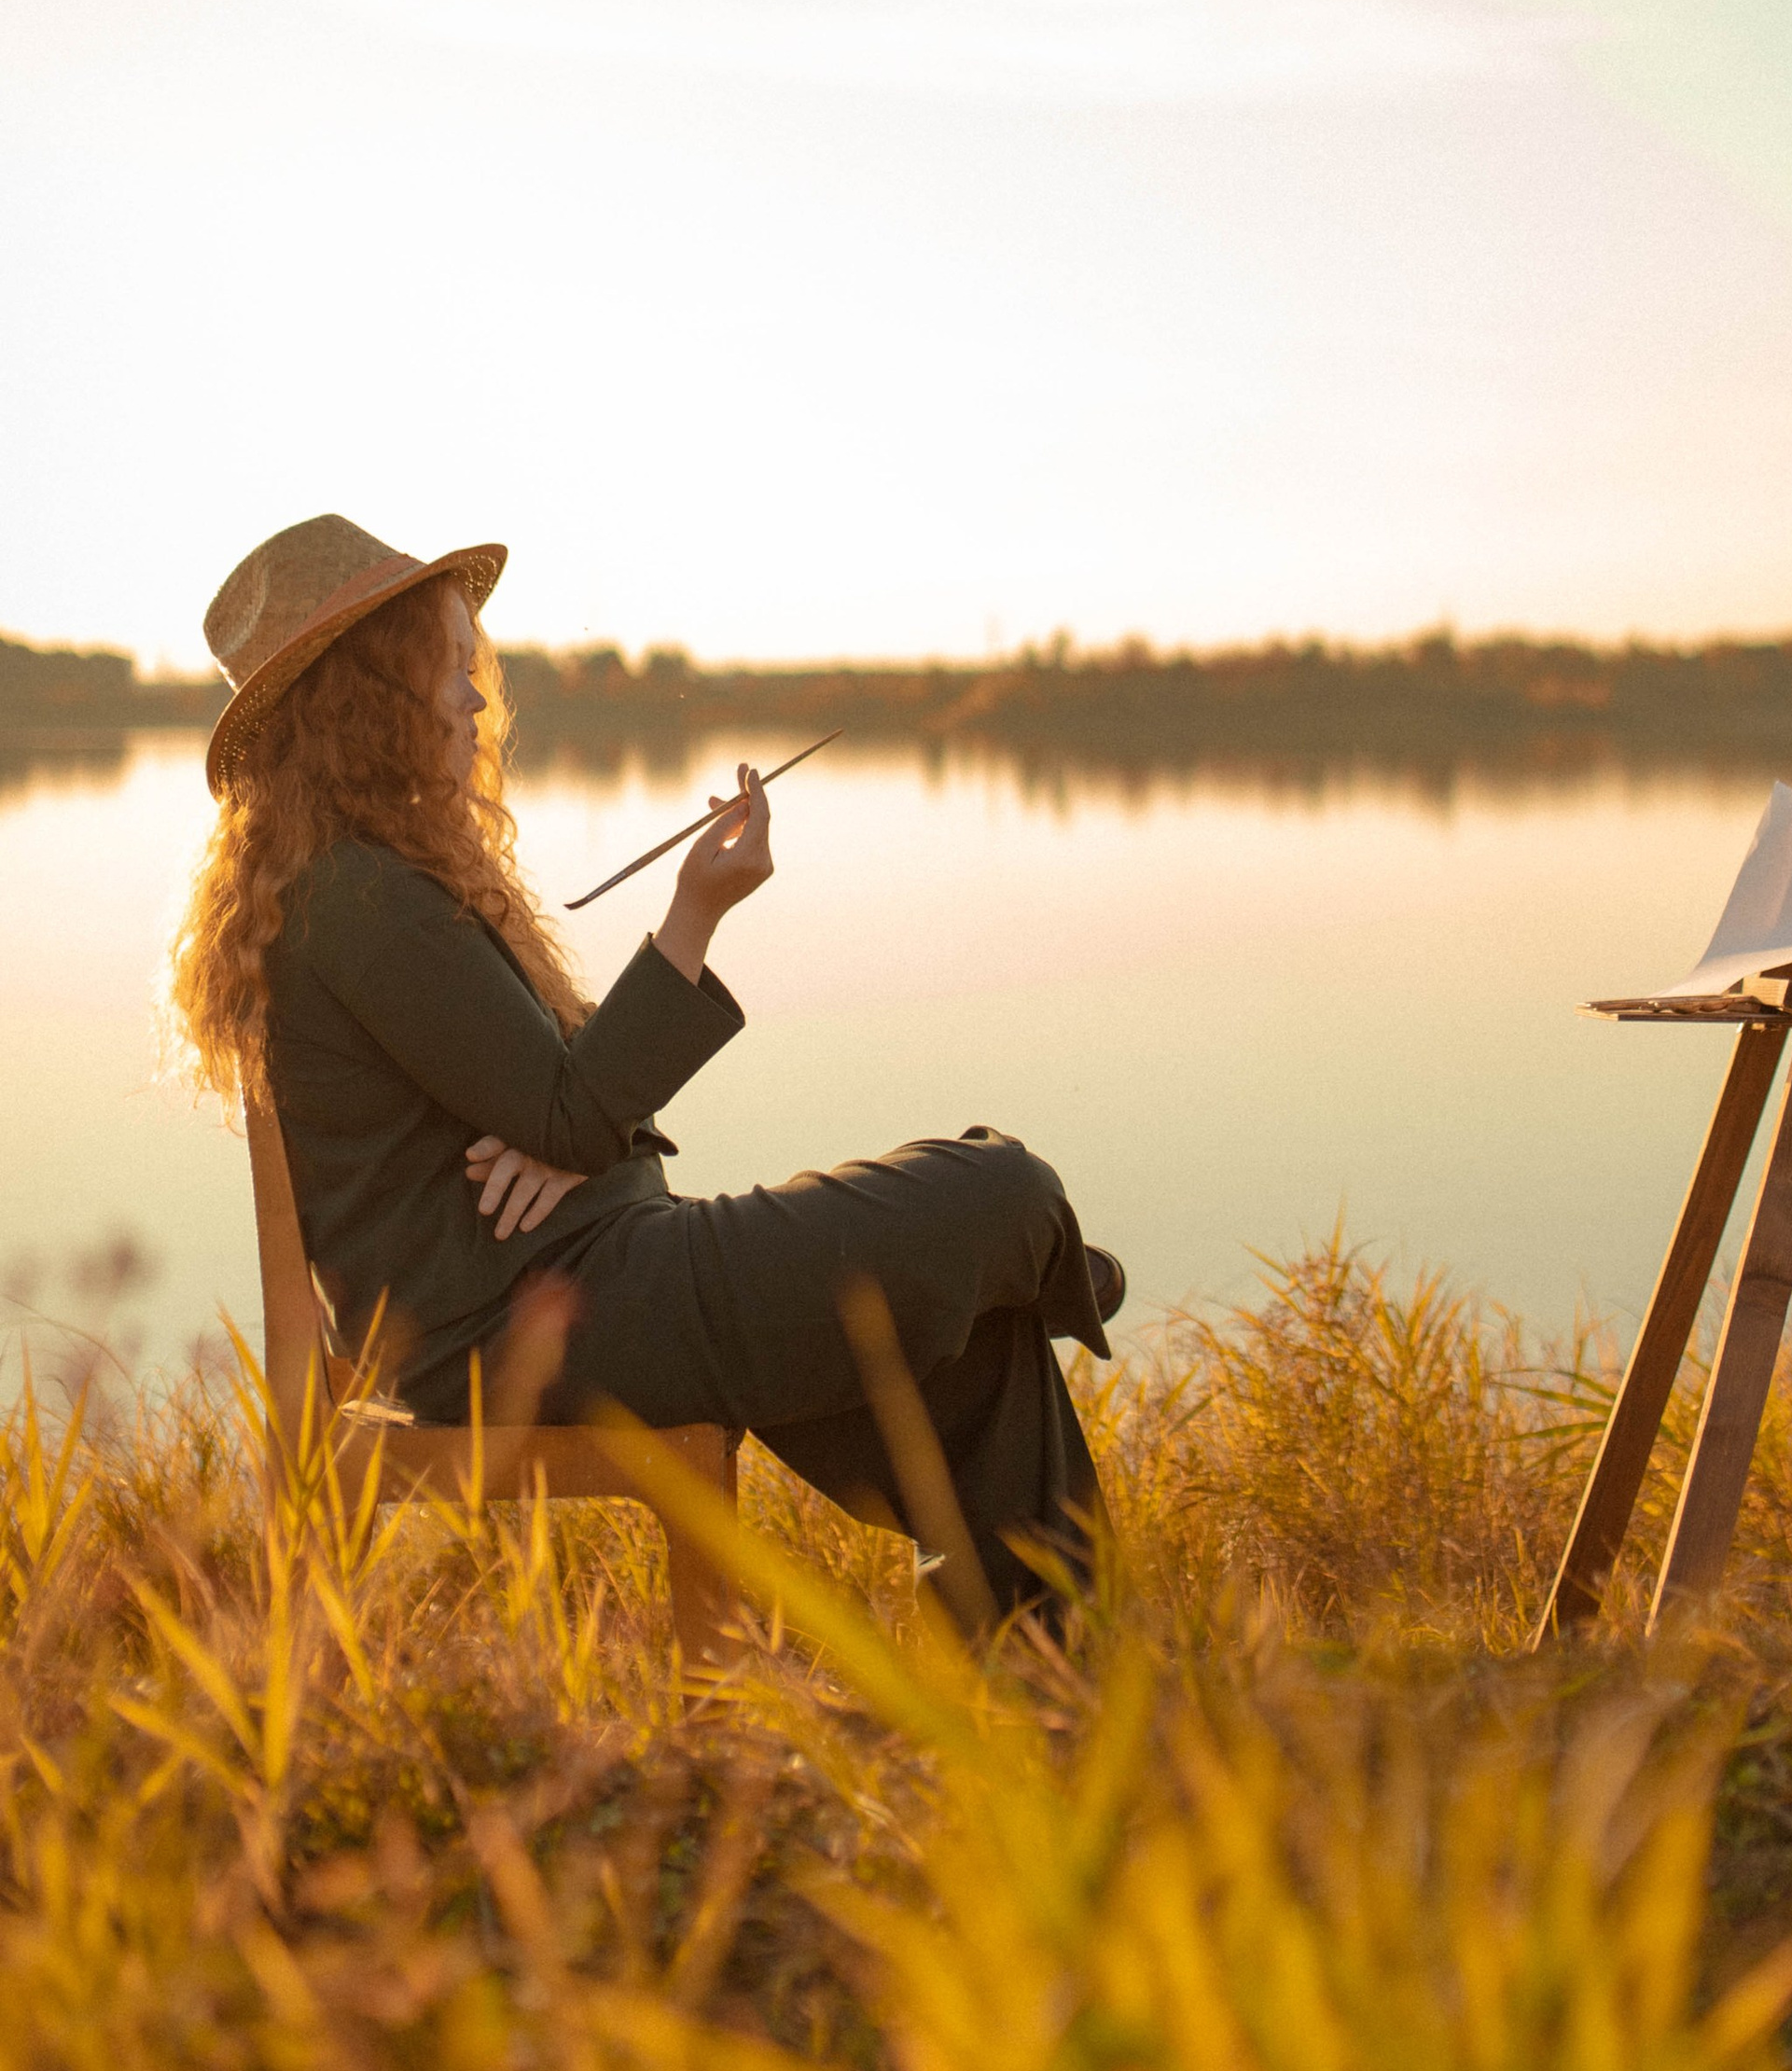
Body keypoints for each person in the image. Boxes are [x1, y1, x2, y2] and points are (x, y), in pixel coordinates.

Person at [167, 514, 1118, 1621]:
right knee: (1001, 1185)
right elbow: (574, 1106)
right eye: (451, 671)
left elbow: (565, 1102)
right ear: (369, 699)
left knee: (976, 1342)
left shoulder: (363, 883)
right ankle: (1054, 1271)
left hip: (590, 1276)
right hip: (538, 1324)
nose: (476, 701)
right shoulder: (360, 899)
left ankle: (1053, 1672)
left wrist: (576, 1148)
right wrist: (692, 915)